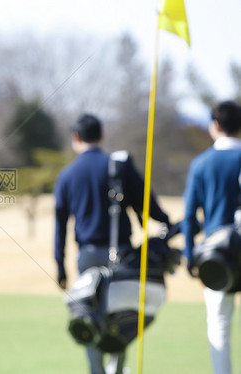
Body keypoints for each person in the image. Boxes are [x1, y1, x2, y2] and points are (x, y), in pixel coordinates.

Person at [53, 114, 170, 374]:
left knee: (89, 316)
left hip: (87, 256)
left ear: (76, 138)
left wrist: (59, 266)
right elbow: (146, 202)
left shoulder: (67, 174)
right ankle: (116, 369)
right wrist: (166, 223)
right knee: (119, 316)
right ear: (101, 136)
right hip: (122, 254)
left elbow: (60, 226)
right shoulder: (118, 166)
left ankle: (95, 370)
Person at [182, 100, 241, 374]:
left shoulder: (201, 163)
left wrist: (189, 255)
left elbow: (190, 216)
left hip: (217, 257)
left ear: (215, 126)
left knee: (219, 327)